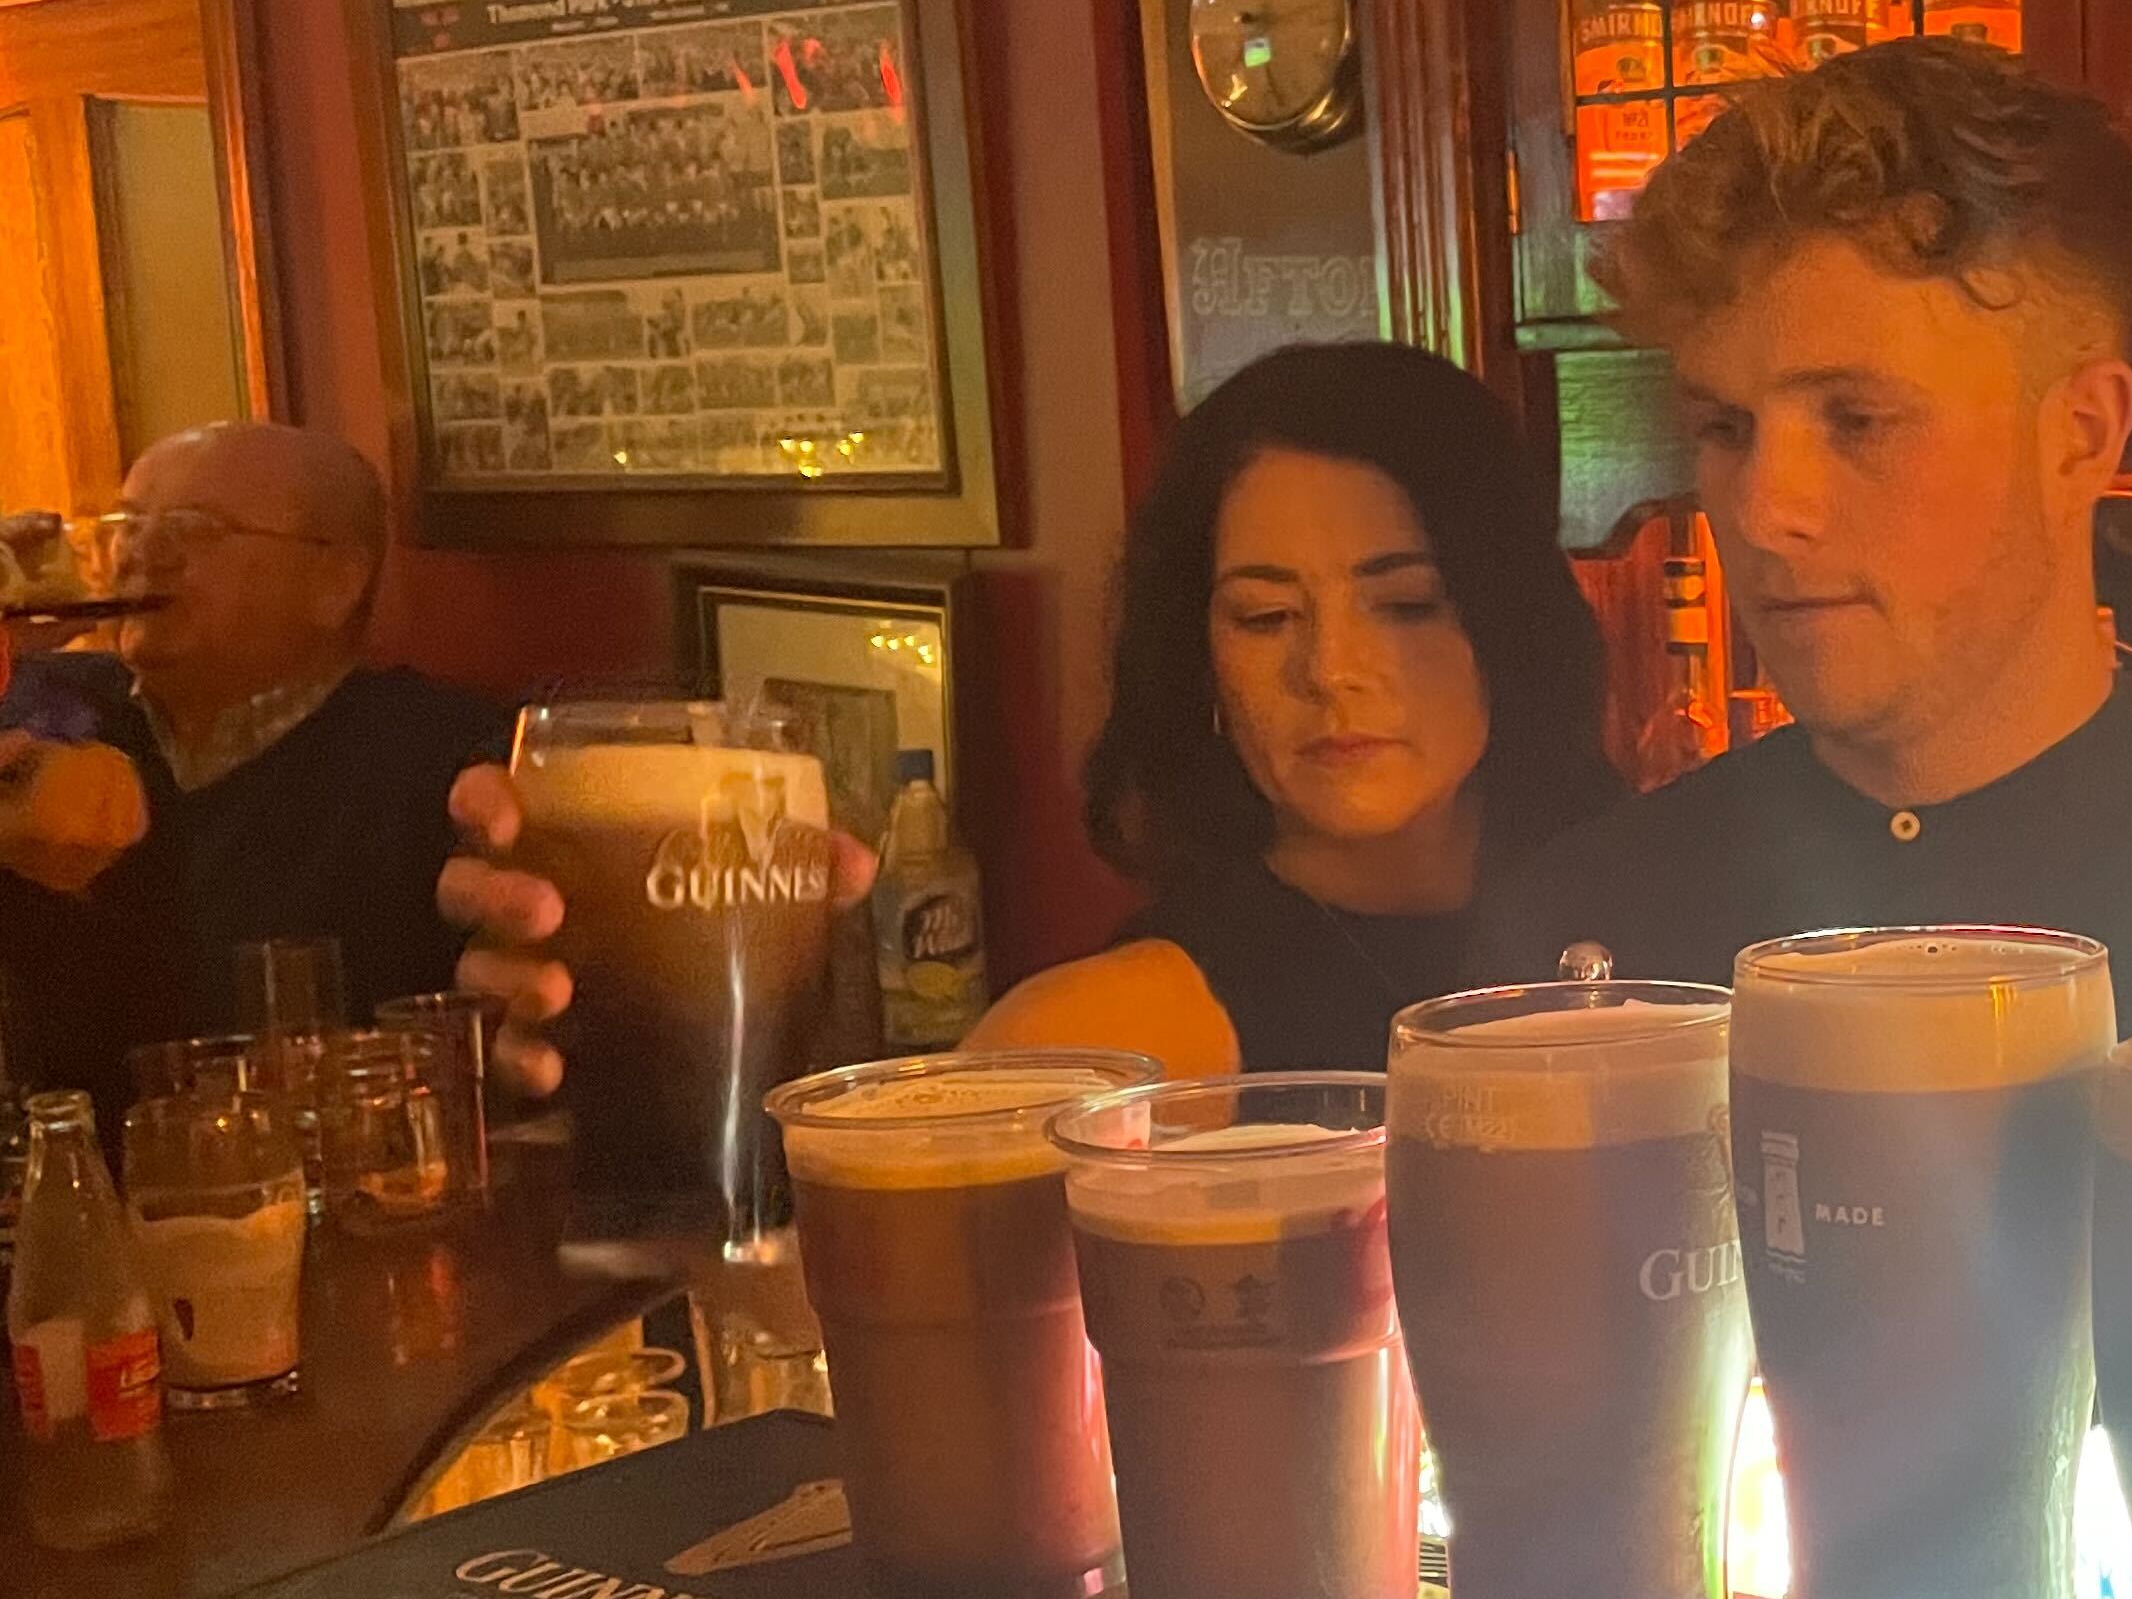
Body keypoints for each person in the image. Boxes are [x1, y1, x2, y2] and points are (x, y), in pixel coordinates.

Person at [1481, 38, 2132, 1305]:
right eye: (1725, 429)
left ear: (2082, 435)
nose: (1764, 509)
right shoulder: (1580, 964)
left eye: (1858, 420)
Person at [438, 344, 1621, 1095]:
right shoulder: (1114, 1034)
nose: (1334, 670)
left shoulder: (1664, 906)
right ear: (1199, 663)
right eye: (1265, 618)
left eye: (1406, 603)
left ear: (1510, 619)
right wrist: (652, 1035)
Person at [0, 422, 505, 1106]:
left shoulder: (441, 760)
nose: (142, 552)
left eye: (195, 528)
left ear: (335, 582)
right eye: (129, 523)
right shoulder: (39, 707)